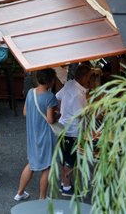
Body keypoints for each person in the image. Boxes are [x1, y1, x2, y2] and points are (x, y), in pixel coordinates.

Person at [15, 68, 59, 202]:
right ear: (51, 81)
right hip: (45, 135)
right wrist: (57, 115)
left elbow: (25, 112)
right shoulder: (50, 97)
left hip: (33, 134)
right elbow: (50, 120)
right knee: (47, 166)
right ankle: (42, 197)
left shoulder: (30, 92)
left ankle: (20, 193)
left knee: (32, 163)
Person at [56, 64, 91, 197]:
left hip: (63, 126)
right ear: (84, 77)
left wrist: (63, 111)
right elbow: (81, 114)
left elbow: (58, 96)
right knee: (71, 160)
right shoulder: (78, 95)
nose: (89, 80)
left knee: (64, 157)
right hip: (73, 130)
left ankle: (64, 183)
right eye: (89, 77)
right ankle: (67, 187)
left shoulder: (69, 84)